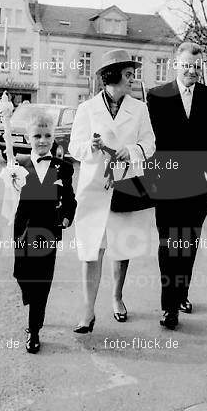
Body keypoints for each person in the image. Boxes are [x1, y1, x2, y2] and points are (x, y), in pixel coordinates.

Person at [147, 42, 207, 330]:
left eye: (197, 66)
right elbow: (149, 140)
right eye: (186, 65)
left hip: (199, 184)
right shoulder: (157, 97)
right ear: (176, 65)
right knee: (168, 243)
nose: (192, 70)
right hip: (166, 182)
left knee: (188, 241)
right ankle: (168, 307)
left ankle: (181, 292)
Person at [69, 49, 156, 333]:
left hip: (127, 183)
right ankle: (87, 311)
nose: (132, 80)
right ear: (113, 76)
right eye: (128, 75)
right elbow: (74, 147)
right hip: (95, 186)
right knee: (91, 249)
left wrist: (131, 151)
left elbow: (150, 144)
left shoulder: (139, 108)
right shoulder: (87, 109)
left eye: (132, 75)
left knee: (121, 247)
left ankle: (117, 297)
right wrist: (90, 148)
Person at [13, 111, 76, 353]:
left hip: (48, 231)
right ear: (29, 137)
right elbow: (11, 202)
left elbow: (70, 198)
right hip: (23, 230)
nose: (42, 140)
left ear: (54, 137)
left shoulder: (63, 168)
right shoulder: (19, 164)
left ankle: (34, 329)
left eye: (47, 135)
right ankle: (32, 303)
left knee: (42, 280)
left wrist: (68, 216)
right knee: (23, 276)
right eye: (37, 135)